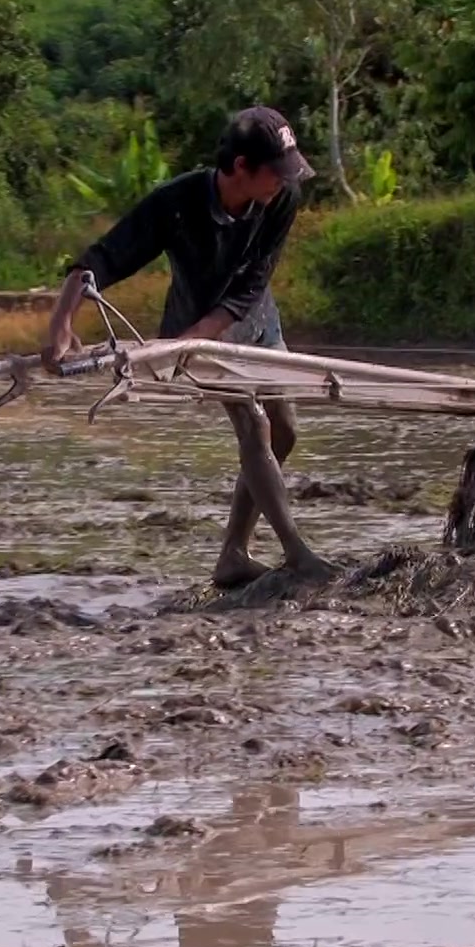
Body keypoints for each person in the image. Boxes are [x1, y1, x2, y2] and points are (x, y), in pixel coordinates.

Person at [41, 106, 337, 588]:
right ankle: (298, 554)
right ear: (240, 167)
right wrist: (61, 323)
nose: (283, 182)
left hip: (253, 320)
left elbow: (252, 282)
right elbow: (101, 258)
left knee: (285, 431)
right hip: (195, 326)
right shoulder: (176, 203)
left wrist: (195, 337)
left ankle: (233, 554)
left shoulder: (281, 200)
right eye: (275, 173)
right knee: (253, 425)